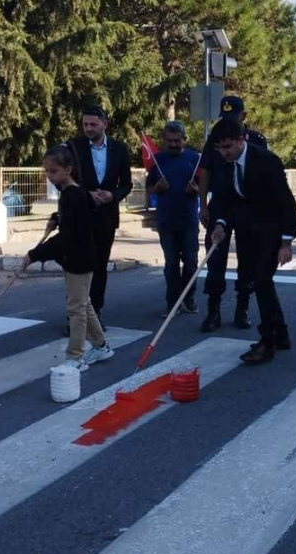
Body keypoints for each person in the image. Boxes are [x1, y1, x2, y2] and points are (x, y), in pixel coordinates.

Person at [208, 118, 296, 365]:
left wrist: (286, 242)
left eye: (227, 146)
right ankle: (280, 334)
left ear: (241, 140)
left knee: (261, 281)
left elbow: (285, 202)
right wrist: (220, 224)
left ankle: (267, 342)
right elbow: (225, 199)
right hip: (247, 231)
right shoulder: (226, 163)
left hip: (271, 230)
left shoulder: (267, 162)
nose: (223, 152)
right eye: (220, 148)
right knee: (260, 282)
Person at [22, 145, 116, 370]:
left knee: (76, 309)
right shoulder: (73, 193)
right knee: (84, 304)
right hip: (77, 257)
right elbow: (71, 218)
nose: (49, 175)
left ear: (68, 169)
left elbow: (66, 237)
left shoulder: (75, 195)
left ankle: (75, 358)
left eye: (53, 171)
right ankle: (101, 346)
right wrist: (57, 217)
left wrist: (34, 254)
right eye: (47, 171)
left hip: (79, 259)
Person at [198, 95, 269, 334]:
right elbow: (205, 172)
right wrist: (203, 205)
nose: (229, 121)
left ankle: (242, 308)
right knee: (215, 257)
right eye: (225, 116)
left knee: (247, 258)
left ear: (243, 116)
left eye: (233, 116)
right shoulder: (214, 140)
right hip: (220, 202)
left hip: (247, 206)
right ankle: (213, 311)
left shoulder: (256, 140)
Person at [66, 106, 133, 328]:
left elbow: (126, 184)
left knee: (99, 266)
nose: (88, 129)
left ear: (104, 123)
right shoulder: (73, 147)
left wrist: (111, 195)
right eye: (85, 124)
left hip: (105, 216)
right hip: (79, 216)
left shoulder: (119, 149)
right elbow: (63, 179)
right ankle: (75, 316)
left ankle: (95, 312)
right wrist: (85, 195)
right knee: (78, 267)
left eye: (93, 124)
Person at [145, 122, 201, 317]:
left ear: (184, 139)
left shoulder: (195, 159)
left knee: (191, 263)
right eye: (169, 141)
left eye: (177, 140)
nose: (173, 144)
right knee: (171, 264)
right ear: (163, 140)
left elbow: (206, 187)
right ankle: (173, 303)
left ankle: (190, 298)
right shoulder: (157, 161)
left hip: (189, 221)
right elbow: (148, 188)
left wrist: (196, 191)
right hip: (166, 221)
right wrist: (156, 189)